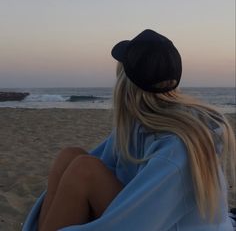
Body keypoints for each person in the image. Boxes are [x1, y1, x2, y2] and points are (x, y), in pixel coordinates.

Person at [23, 29, 236, 231]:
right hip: (154, 218)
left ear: (125, 85)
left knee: (84, 170)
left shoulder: (177, 150)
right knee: (70, 156)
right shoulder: (137, 126)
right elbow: (106, 166)